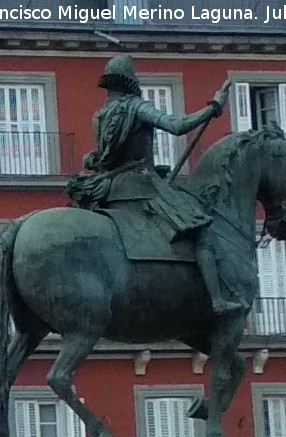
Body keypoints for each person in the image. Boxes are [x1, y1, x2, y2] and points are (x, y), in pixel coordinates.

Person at [68, 55, 247, 316]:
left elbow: (104, 156)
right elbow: (178, 126)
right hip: (141, 185)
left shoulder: (100, 116)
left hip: (110, 189)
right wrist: (213, 108)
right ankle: (217, 300)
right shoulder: (138, 108)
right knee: (200, 229)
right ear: (130, 82)